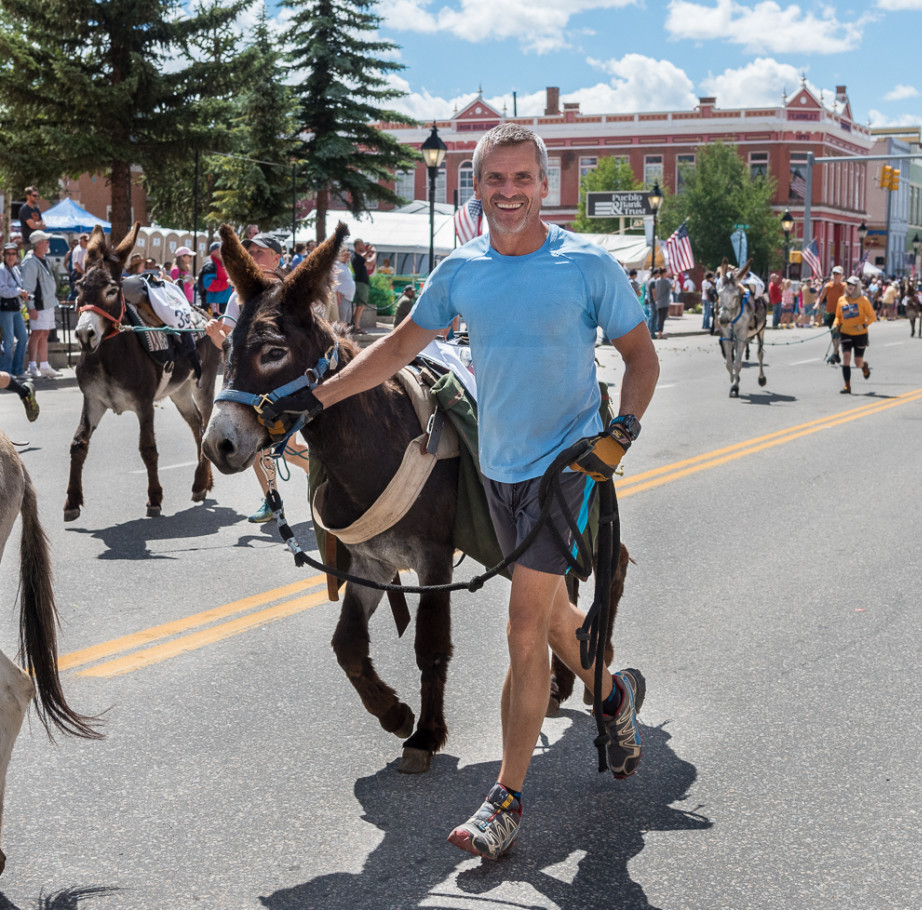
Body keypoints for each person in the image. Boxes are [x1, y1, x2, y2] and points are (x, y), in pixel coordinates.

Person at [263, 123, 659, 860]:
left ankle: (505, 799)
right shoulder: (464, 269)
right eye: (493, 181)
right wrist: (320, 399)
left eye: (522, 180)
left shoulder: (586, 265)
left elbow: (641, 357)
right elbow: (399, 347)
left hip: (568, 468)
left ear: (546, 185)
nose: (508, 193)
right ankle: (612, 696)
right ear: (476, 188)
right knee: (551, 619)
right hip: (497, 470)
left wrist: (621, 432)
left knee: (519, 627)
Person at [207, 232, 309, 524]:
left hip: (286, 383)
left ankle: (316, 476)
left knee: (288, 448)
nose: (252, 257)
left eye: (260, 253)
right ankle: (272, 501)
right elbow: (227, 343)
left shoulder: (292, 293)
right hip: (250, 386)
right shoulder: (239, 296)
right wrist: (217, 336)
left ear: (278, 258)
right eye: (249, 252)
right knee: (256, 447)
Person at [20, 230, 62, 379]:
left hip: (48, 304)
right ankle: (32, 366)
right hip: (38, 305)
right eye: (45, 241)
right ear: (38, 244)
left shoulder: (43, 258)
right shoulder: (30, 261)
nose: (48, 243)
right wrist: (31, 308)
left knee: (44, 333)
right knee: (37, 333)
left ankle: (44, 365)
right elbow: (28, 287)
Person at [833, 275, 876, 394]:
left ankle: (864, 366)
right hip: (845, 333)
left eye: (853, 285)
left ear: (857, 287)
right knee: (846, 358)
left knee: (857, 362)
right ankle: (847, 386)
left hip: (860, 334)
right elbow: (838, 316)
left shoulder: (863, 300)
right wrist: (835, 324)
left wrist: (864, 325)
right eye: (848, 285)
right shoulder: (841, 300)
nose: (850, 287)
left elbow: (872, 317)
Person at [0, 243, 30, 379]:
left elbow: (17, 288)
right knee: (8, 340)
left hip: (16, 308)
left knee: (23, 337)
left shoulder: (16, 270)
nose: (11, 256)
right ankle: (5, 371)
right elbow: (2, 290)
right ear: (4, 255)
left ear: (17, 255)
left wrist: (23, 294)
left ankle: (18, 369)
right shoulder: (1, 270)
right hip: (5, 309)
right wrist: (19, 291)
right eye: (8, 254)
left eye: (13, 253)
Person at [817, 265, 845, 362]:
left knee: (837, 334)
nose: (836, 276)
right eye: (834, 274)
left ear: (842, 276)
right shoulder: (827, 286)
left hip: (840, 314)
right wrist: (817, 304)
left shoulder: (844, 286)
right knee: (833, 334)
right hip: (829, 313)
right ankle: (836, 353)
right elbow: (821, 297)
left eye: (838, 274)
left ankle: (835, 353)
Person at [198, 242, 232, 316]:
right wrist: (227, 283)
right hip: (216, 303)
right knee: (217, 325)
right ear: (214, 251)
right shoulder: (211, 265)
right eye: (221, 249)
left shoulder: (220, 263)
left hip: (223, 302)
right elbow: (209, 285)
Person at [351, 238, 377, 331]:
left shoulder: (357, 257)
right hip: (361, 283)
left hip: (361, 283)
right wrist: (374, 253)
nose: (364, 246)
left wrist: (368, 252)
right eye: (362, 244)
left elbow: (364, 257)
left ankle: (355, 324)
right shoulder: (356, 257)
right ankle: (356, 326)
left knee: (360, 305)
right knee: (361, 305)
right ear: (357, 246)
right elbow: (371, 262)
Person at [652, 267, 672, 339]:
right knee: (662, 318)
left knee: (660, 318)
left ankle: (659, 332)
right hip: (664, 302)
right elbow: (672, 288)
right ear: (664, 273)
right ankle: (660, 333)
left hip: (659, 302)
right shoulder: (666, 281)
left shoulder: (656, 281)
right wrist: (675, 280)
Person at [69, 233, 89, 303]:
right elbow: (76, 264)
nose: (87, 242)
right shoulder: (78, 250)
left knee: (83, 292)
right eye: (86, 241)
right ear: (81, 240)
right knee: (77, 293)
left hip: (82, 273)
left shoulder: (85, 249)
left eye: (88, 241)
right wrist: (84, 273)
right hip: (78, 273)